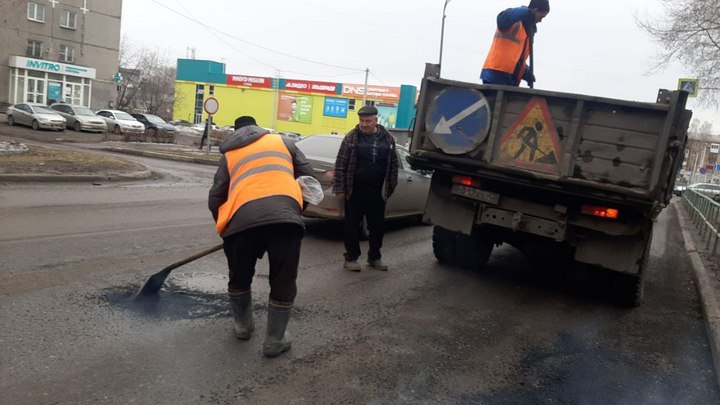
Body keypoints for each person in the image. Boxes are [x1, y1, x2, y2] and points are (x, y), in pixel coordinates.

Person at [208, 115, 315, 357]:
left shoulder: (229, 156)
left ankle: (243, 327)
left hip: (241, 222)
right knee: (283, 280)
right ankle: (274, 341)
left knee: (239, 276)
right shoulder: (284, 143)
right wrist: (296, 211)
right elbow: (310, 182)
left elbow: (216, 196)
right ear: (258, 128)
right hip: (285, 222)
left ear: (235, 133)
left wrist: (226, 228)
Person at [333, 105, 399, 272]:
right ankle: (351, 258)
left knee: (377, 227)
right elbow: (341, 164)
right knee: (351, 225)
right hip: (355, 190)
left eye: (368, 121)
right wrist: (340, 188)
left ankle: (374, 256)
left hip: (377, 191)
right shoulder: (351, 137)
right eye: (362, 121)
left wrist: (391, 186)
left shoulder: (388, 139)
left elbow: (394, 165)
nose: (364, 124)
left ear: (376, 120)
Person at [480, 0, 550, 87]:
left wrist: (527, 73)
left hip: (509, 77)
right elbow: (501, 20)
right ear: (535, 10)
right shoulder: (514, 19)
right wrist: (528, 11)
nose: (540, 21)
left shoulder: (527, 31)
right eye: (541, 17)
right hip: (496, 72)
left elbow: (517, 58)